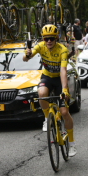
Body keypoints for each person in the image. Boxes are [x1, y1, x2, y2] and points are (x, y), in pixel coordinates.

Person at [23, 24, 77, 157]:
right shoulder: (40, 46)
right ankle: (47, 118)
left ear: (56, 38)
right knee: (41, 93)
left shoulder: (62, 50)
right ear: (43, 38)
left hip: (59, 79)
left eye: (51, 39)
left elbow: (63, 71)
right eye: (46, 38)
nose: (49, 41)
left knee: (64, 112)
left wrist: (64, 90)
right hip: (47, 77)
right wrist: (27, 54)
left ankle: (71, 144)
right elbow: (25, 59)